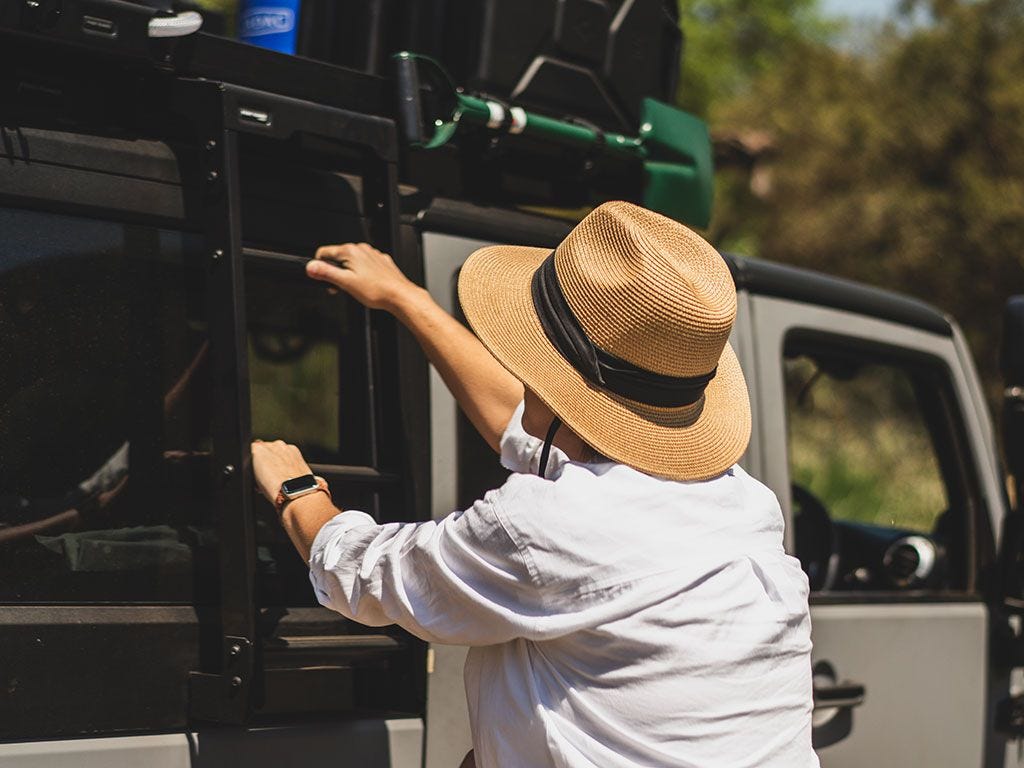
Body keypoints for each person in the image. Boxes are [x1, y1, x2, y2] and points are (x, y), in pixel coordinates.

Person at [251, 201, 818, 768]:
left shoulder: (546, 525)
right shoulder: (741, 503)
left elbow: (364, 573)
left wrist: (296, 490)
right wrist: (407, 300)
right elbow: (523, 427)